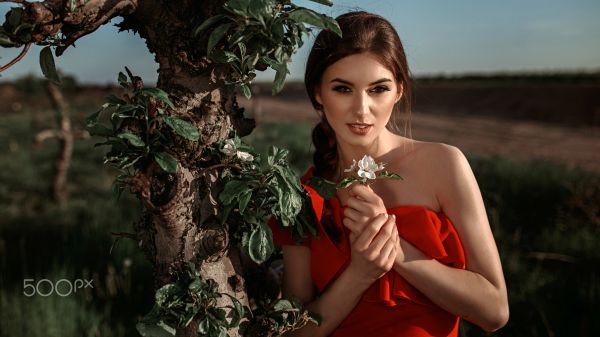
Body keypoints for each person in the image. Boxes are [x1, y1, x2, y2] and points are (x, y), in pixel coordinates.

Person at [268, 11, 509, 337]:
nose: (361, 109)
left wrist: (396, 252)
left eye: (377, 89)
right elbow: (293, 333)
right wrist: (360, 274)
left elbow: (494, 311)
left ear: (399, 90)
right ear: (317, 93)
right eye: (343, 89)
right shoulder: (301, 196)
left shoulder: (444, 164)